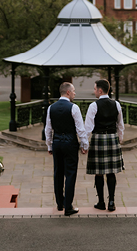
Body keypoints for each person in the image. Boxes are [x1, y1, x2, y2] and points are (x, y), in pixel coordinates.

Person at [44, 81, 88, 216]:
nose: (75, 93)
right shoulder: (74, 108)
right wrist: (84, 144)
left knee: (58, 173)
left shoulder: (51, 108)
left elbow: (48, 129)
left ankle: (59, 203)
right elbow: (80, 129)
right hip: (70, 143)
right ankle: (68, 206)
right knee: (70, 174)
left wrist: (49, 145)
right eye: (73, 91)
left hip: (57, 143)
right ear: (68, 92)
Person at [84, 79, 125, 212]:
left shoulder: (93, 106)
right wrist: (120, 138)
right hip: (112, 138)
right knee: (111, 172)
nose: (94, 91)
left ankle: (101, 202)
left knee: (99, 173)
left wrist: (84, 143)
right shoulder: (116, 104)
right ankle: (111, 202)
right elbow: (120, 124)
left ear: (100, 90)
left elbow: (88, 127)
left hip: (98, 139)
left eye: (95, 89)